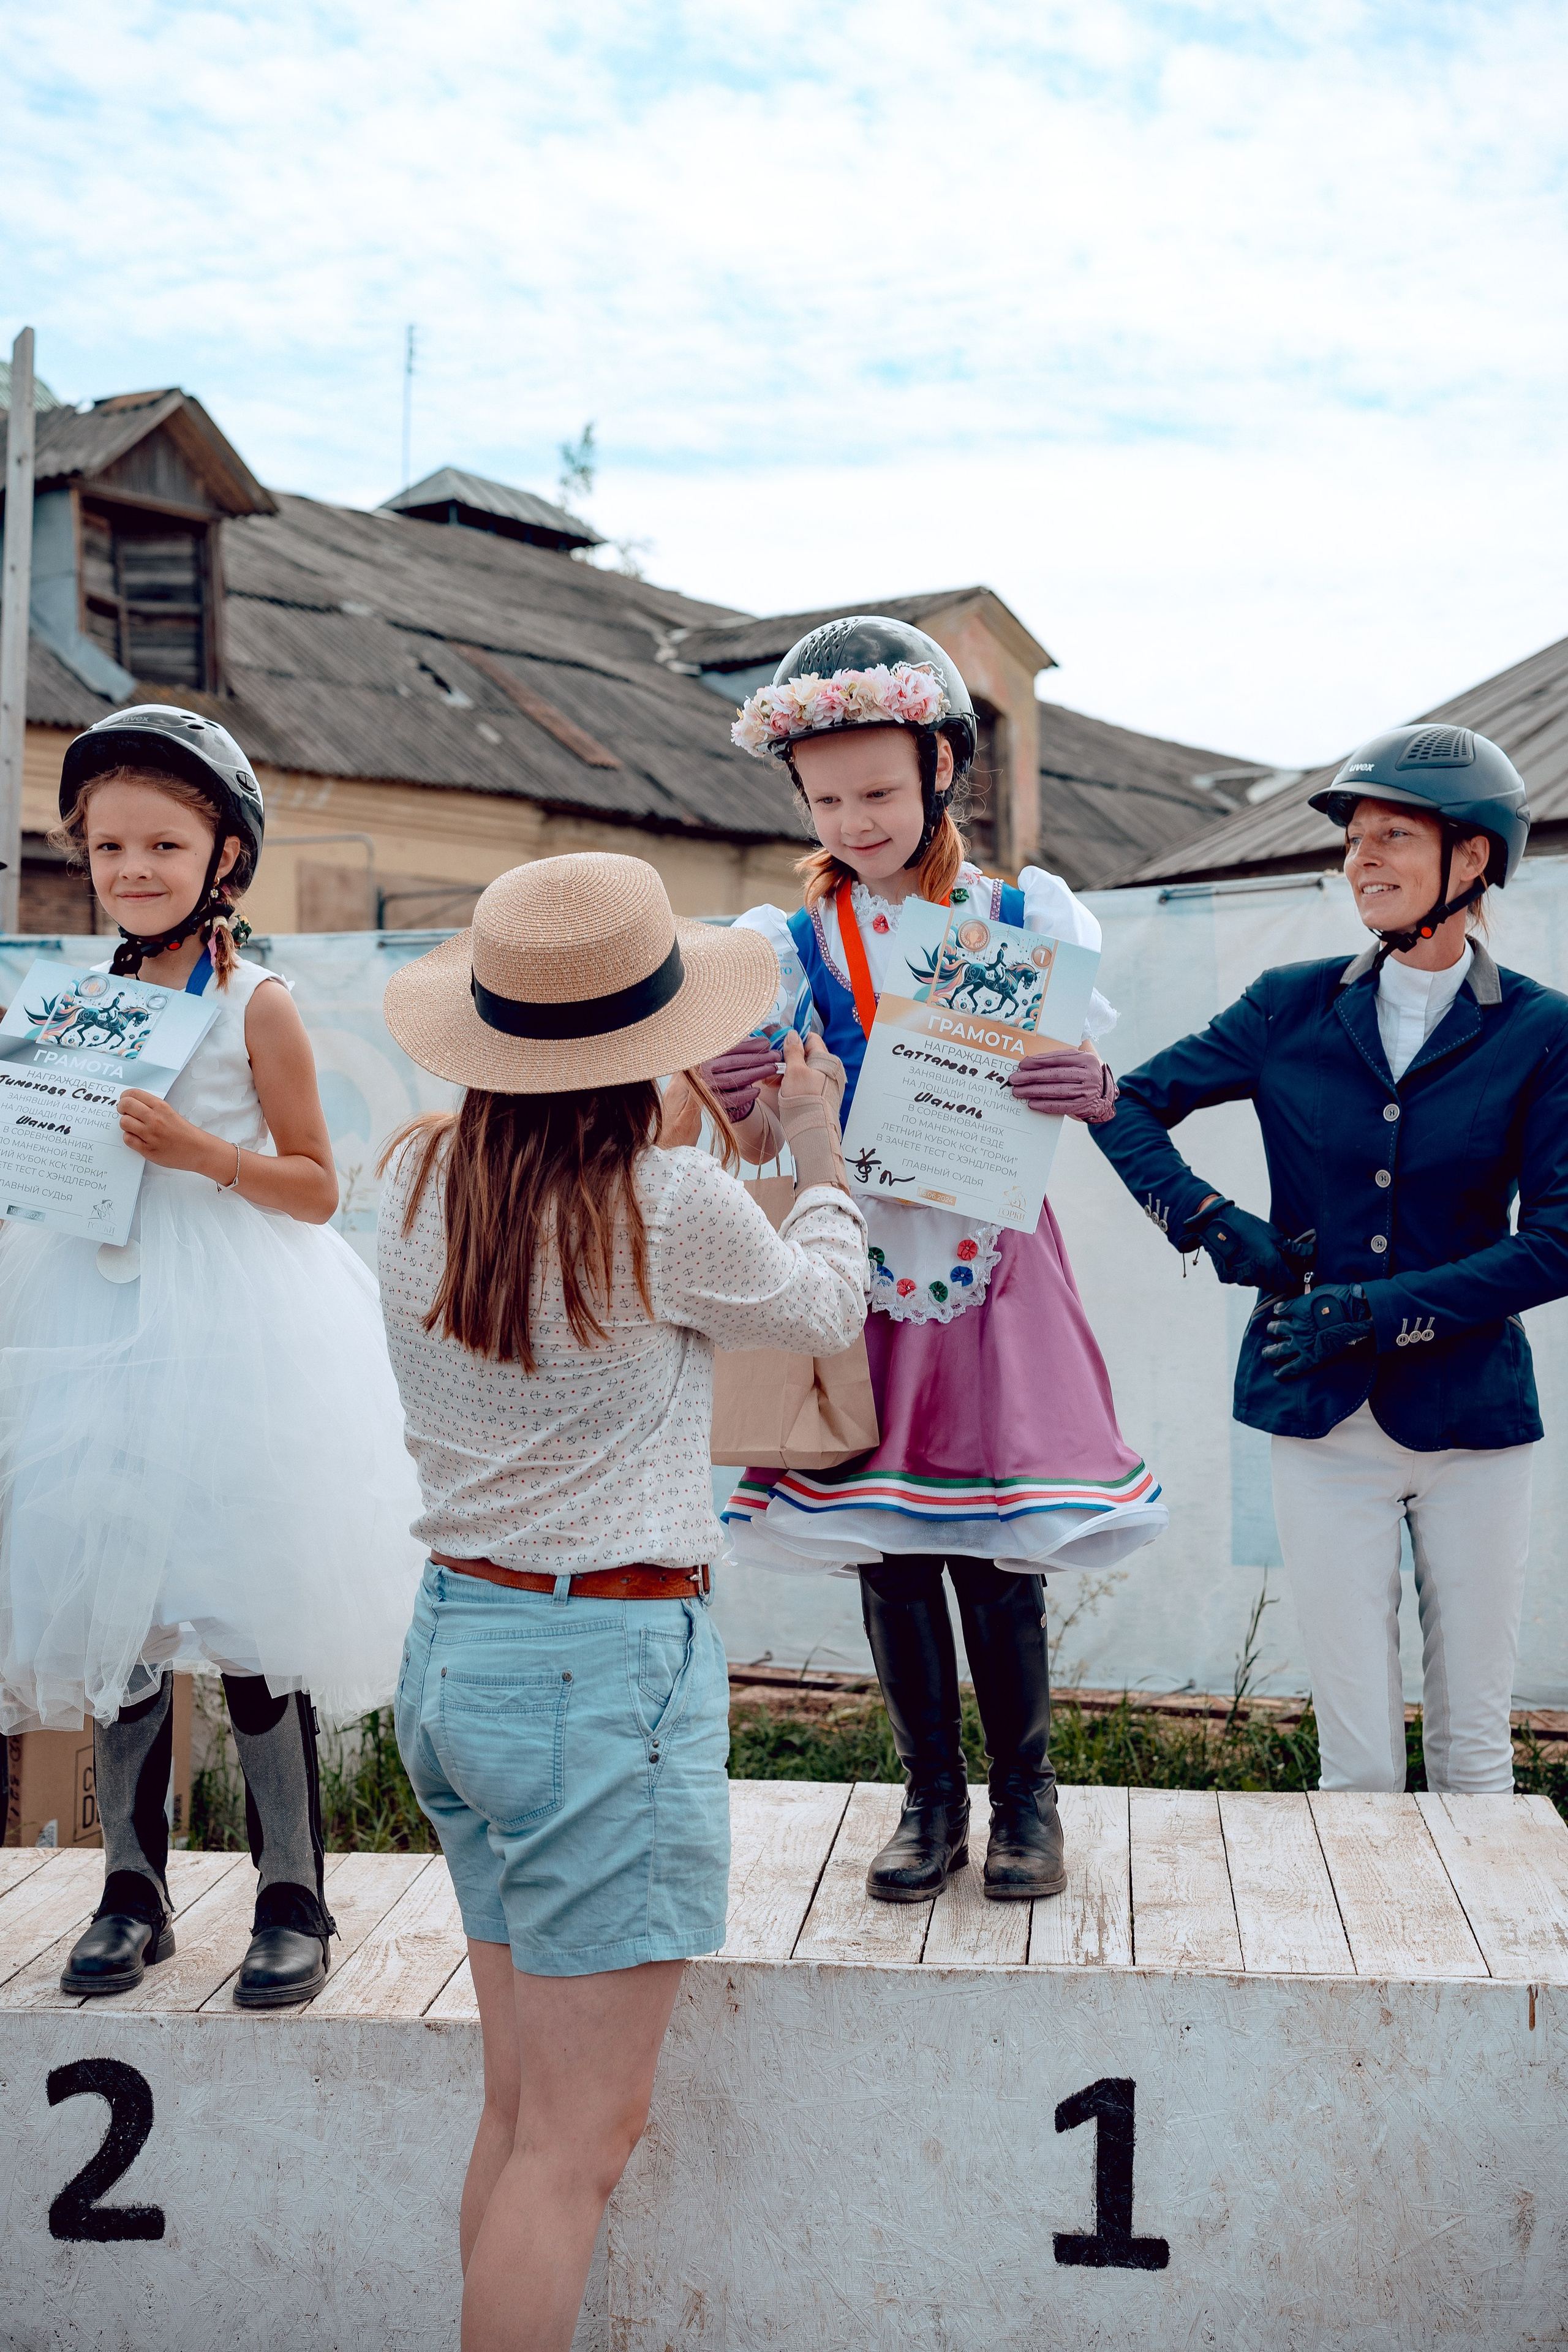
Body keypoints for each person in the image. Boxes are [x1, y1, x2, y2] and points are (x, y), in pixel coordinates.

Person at [377, 851, 866, 2352]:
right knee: (578, 2151)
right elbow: (822, 1308)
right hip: (604, 1668)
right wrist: (819, 1153)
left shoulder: (407, 1173)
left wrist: (687, 1134)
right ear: (643, 1036)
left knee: (521, 2115)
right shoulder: (662, 1203)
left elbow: (572, 1219)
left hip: (457, 1650)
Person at [709, 617, 1166, 1906]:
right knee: (891, 1550)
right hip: (853, 1261)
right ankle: (928, 1798)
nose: (855, 819)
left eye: (878, 792)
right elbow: (750, 1136)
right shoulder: (785, 944)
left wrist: (1091, 1084)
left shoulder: (1025, 917)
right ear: (797, 797)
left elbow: (1084, 1087)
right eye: (828, 797)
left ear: (939, 775)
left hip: (990, 1258)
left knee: (993, 1544)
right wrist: (729, 1087)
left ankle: (1028, 1804)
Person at [0, 703, 423, 2006]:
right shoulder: (74, 1006)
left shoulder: (258, 1004)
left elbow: (312, 1183)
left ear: (220, 857)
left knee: (252, 1612)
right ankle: (133, 1886)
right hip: (103, 1319)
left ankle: (291, 1891)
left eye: (163, 845)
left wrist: (202, 1157)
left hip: (241, 1323)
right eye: (108, 846)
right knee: (118, 1607)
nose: (133, 868)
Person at [1091, 723, 1568, 1793]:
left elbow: (1559, 1242)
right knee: (1354, 1760)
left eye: (1393, 834)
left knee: (1475, 1753)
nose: (1362, 859)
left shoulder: (1543, 1030)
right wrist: (1212, 1221)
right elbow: (1127, 1106)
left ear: (1475, 856)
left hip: (1473, 1421)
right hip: (1316, 1410)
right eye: (1355, 837)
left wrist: (1383, 1310)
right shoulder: (1287, 1004)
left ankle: (1475, 1954)